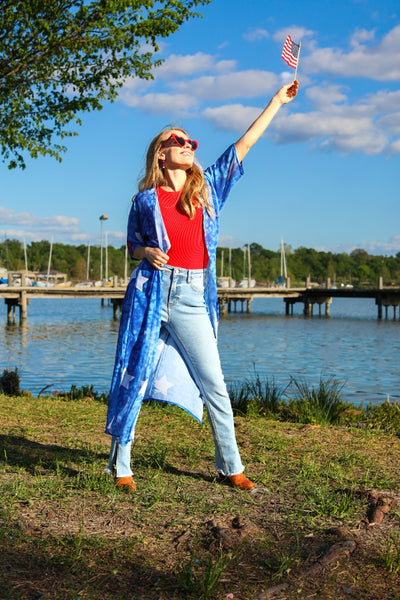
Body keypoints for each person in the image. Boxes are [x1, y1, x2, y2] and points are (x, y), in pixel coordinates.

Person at [105, 80, 299, 492]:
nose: (188, 144)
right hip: (151, 292)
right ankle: (120, 466)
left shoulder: (207, 187)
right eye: (178, 140)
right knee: (133, 374)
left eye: (191, 140)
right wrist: (145, 254)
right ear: (162, 153)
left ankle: (231, 466)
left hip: (193, 296)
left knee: (215, 383)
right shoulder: (145, 200)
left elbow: (242, 147)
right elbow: (131, 245)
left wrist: (276, 103)